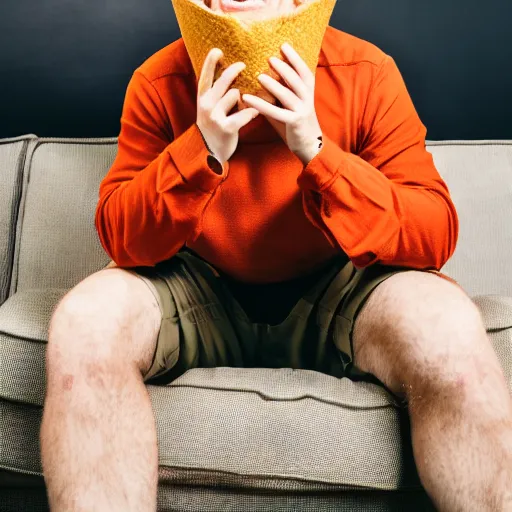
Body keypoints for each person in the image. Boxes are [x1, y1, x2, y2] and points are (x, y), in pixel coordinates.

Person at [40, 0, 512, 509]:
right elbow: (120, 236)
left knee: (446, 327)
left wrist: (316, 149)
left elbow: (433, 232)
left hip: (341, 286)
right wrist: (202, 148)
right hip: (199, 287)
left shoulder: (367, 72)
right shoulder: (160, 80)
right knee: (84, 323)